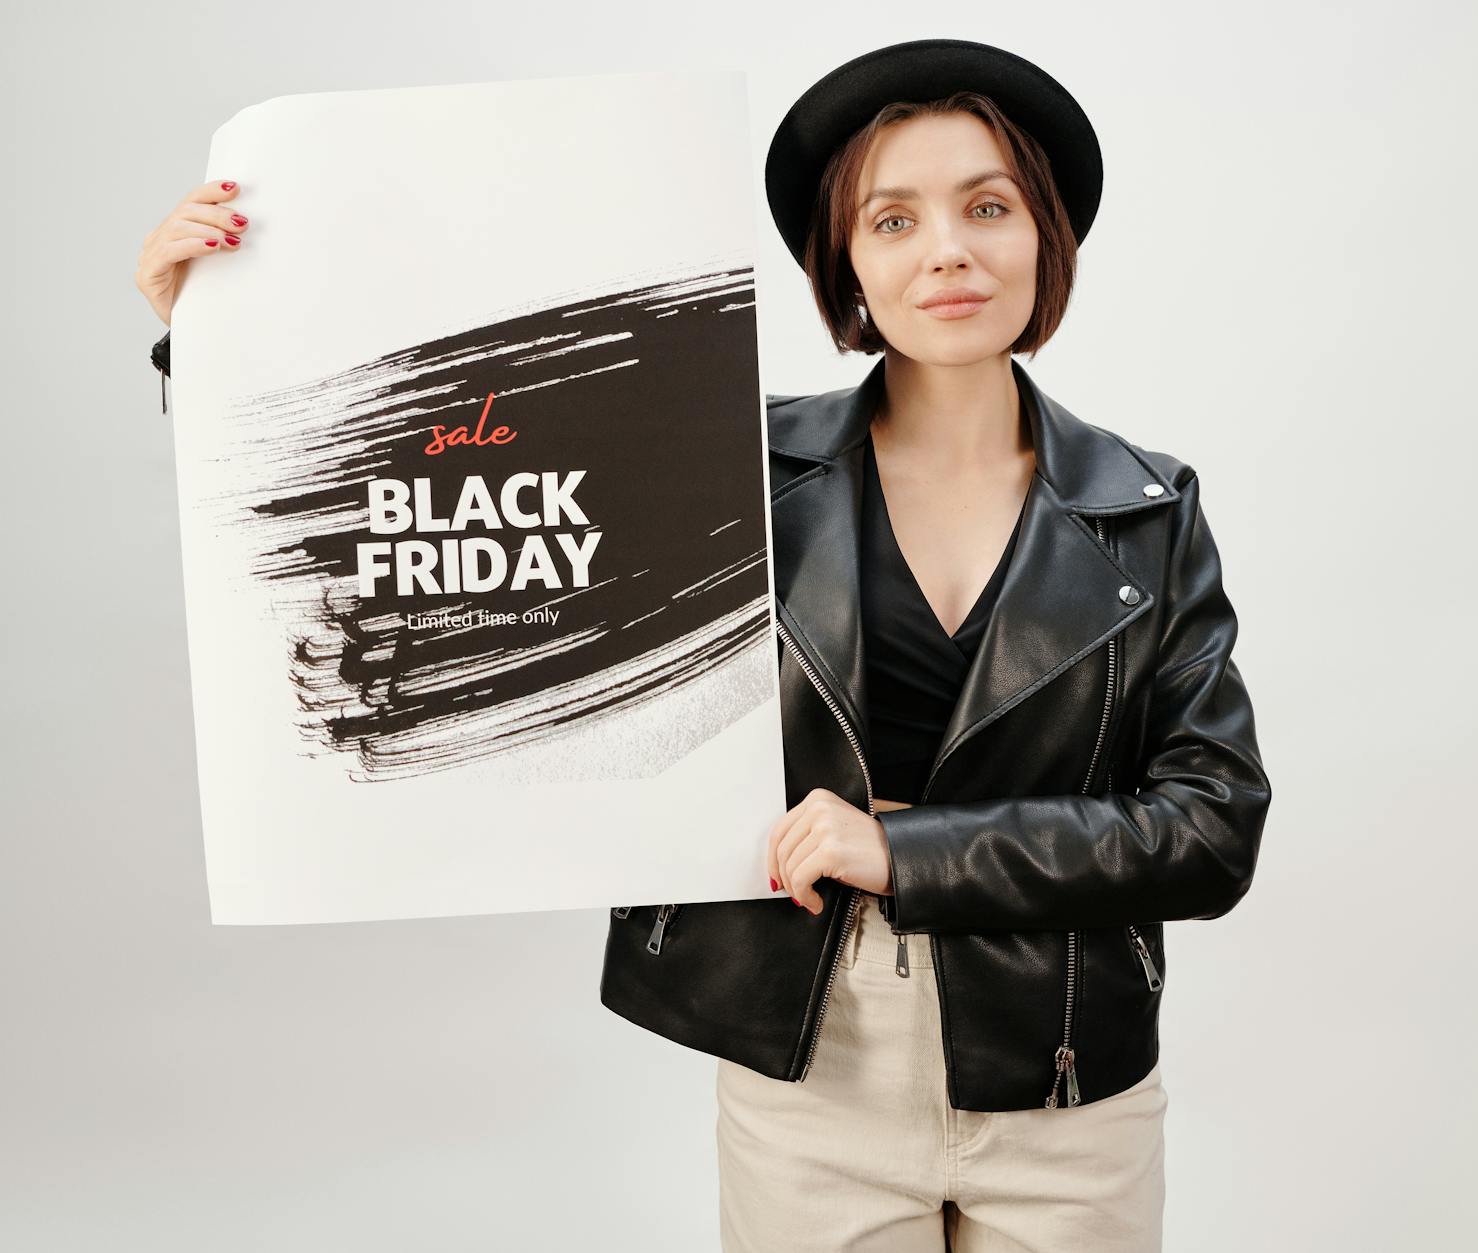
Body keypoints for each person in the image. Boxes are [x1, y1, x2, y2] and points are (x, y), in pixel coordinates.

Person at [137, 37, 1272, 1253]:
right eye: (892, 219)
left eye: (986, 205)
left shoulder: (1146, 509)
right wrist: (211, 339)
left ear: (1044, 237)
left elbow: (1210, 825)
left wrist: (902, 847)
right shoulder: (723, 464)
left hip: (1066, 1074)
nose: (945, 247)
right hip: (809, 1062)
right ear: (844, 265)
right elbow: (437, 489)